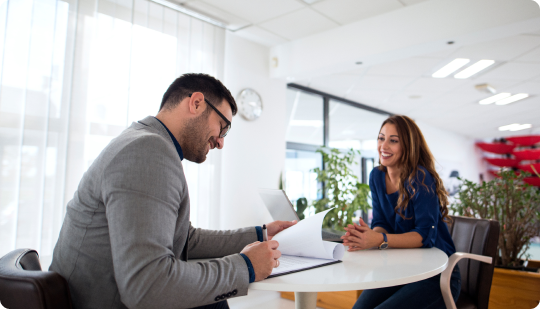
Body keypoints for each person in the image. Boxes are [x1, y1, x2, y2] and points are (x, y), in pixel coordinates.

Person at [49, 73, 296, 309]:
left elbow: (185, 239)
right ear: (197, 103)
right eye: (223, 127)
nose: (221, 142)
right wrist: (246, 267)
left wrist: (261, 234)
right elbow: (146, 285)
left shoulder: (144, 142)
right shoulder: (148, 150)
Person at [341, 115, 461, 309]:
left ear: (408, 146)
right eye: (381, 138)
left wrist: (380, 240)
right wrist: (368, 237)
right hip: (401, 269)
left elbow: (425, 236)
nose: (384, 145)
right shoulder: (377, 176)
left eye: (393, 141)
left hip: (437, 275)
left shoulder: (421, 178)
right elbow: (381, 222)